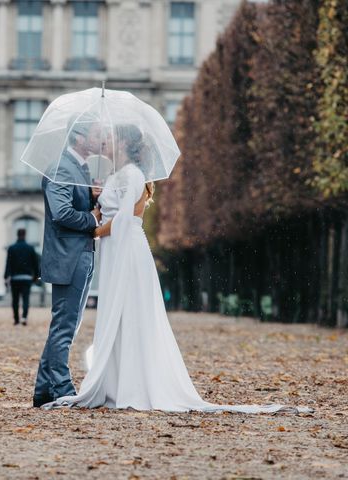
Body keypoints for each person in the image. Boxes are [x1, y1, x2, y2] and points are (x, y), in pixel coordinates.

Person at [42, 125, 311, 414]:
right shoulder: (116, 175)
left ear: (122, 144)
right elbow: (113, 209)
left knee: (130, 313)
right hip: (115, 249)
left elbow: (124, 220)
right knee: (118, 316)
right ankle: (117, 382)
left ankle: (132, 385)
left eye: (110, 138)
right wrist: (98, 200)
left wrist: (93, 231)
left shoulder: (131, 174)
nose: (105, 141)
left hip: (124, 250)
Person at [32, 115, 103, 408]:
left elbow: (71, 204)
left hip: (78, 254)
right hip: (68, 256)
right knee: (65, 325)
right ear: (79, 138)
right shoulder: (63, 167)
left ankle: (43, 389)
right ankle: (61, 387)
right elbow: (61, 213)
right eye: (97, 133)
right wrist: (92, 218)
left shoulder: (78, 168)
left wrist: (92, 196)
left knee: (67, 325)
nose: (102, 139)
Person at [4, 228, 40, 326]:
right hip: (27, 278)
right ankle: (24, 317)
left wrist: (6, 277)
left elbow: (8, 264)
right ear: (25, 235)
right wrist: (36, 276)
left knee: (15, 300)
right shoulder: (30, 248)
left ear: (17, 234)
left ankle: (16, 319)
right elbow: (35, 264)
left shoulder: (12, 248)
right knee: (25, 299)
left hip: (15, 278)